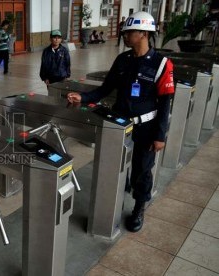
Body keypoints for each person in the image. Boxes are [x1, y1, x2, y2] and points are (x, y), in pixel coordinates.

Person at [67, 11, 175, 233]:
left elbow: (165, 102)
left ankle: (138, 208)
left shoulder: (162, 64)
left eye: (129, 32)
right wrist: (84, 98)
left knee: (141, 170)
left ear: (144, 33)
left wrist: (160, 135)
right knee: (116, 166)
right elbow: (105, 89)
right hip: (119, 124)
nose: (124, 35)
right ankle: (119, 193)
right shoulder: (122, 60)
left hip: (146, 127)